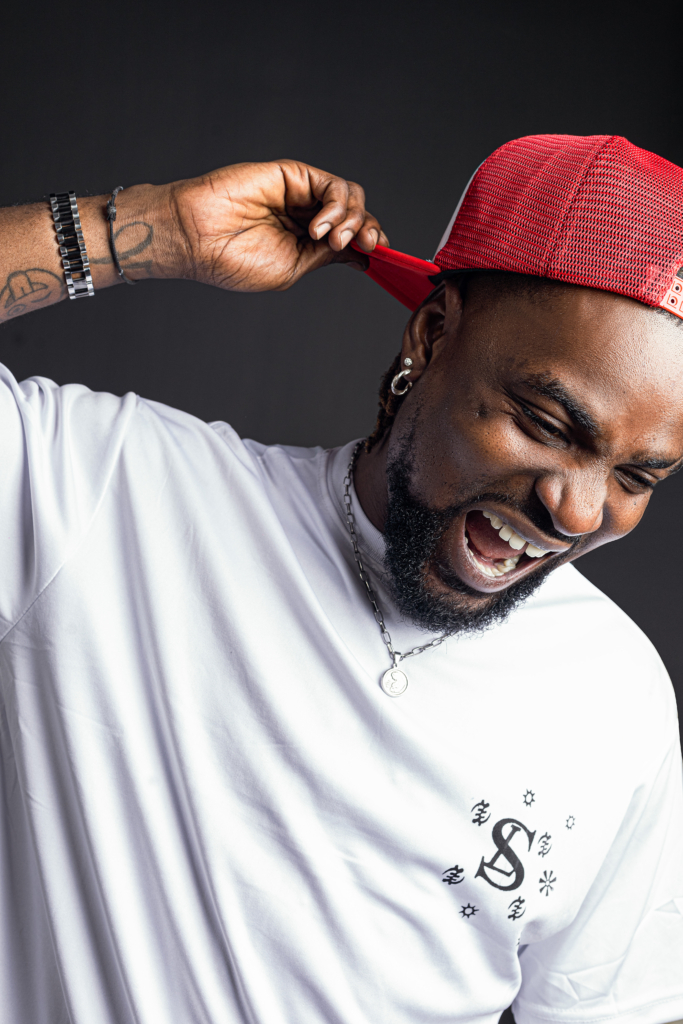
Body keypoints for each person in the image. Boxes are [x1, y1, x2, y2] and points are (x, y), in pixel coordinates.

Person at [0, 135, 682, 1024]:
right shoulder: (101, 491)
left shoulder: (618, 696)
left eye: (636, 476)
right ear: (431, 336)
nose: (578, 513)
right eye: (547, 424)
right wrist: (144, 228)